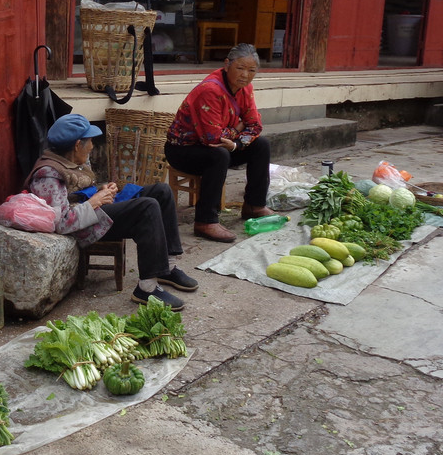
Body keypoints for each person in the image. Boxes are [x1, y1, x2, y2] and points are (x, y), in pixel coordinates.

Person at [25, 113, 197, 309]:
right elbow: (61, 223)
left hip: (93, 209)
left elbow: (79, 191)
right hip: (83, 226)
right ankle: (147, 288)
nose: (92, 146)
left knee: (162, 192)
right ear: (77, 145)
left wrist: (103, 190)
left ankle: (168, 267)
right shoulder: (48, 175)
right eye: (89, 141)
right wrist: (94, 202)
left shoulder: (73, 160)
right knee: (147, 208)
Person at [164, 43, 276, 243]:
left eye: (251, 70)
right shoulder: (210, 89)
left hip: (223, 145)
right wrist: (238, 129)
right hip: (184, 150)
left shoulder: (245, 88)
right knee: (219, 155)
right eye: (240, 68)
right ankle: (205, 221)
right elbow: (212, 139)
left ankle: (254, 205)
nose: (245, 75)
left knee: (262, 145)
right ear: (227, 65)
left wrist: (236, 144)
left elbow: (255, 125)